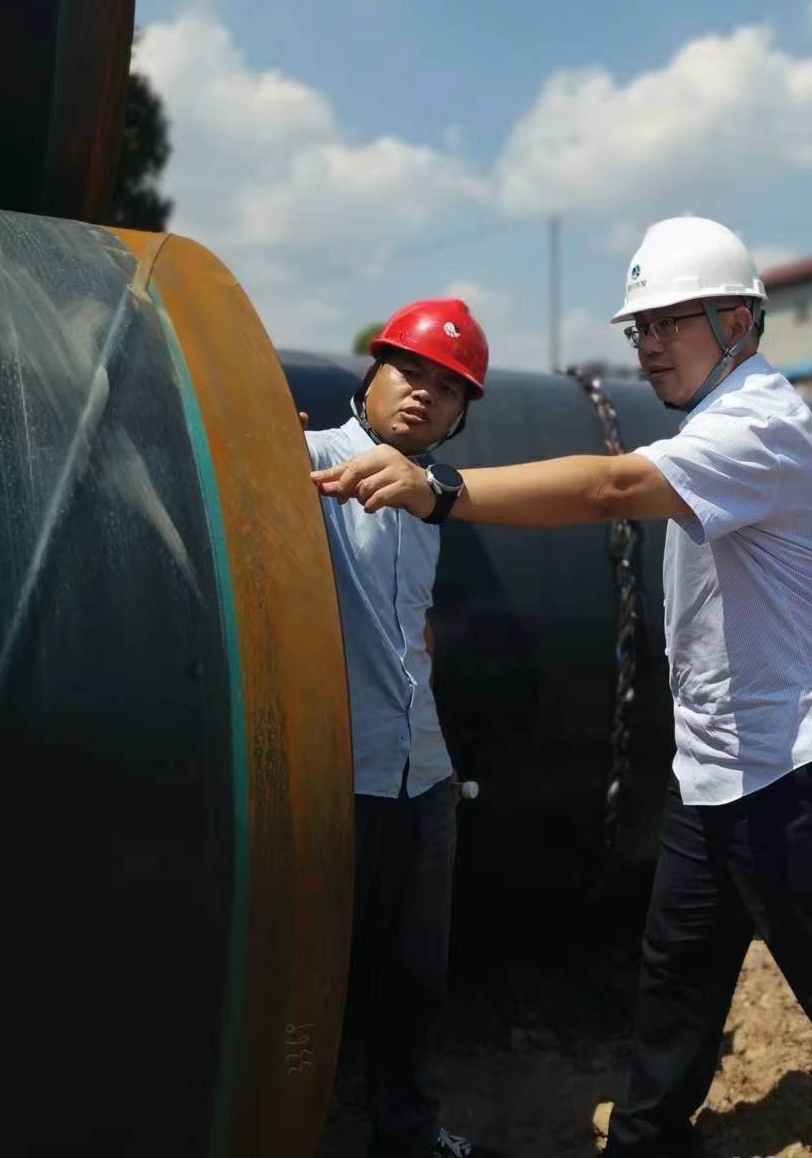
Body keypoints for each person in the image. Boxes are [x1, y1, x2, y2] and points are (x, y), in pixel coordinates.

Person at [311, 217, 812, 1158]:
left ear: (739, 321)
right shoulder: (712, 426)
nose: (649, 345)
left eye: (670, 322)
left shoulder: (760, 424)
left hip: (800, 766)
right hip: (720, 768)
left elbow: (612, 488)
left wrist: (440, 489)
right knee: (678, 980)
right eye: (640, 328)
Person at [304, 297, 498, 1158]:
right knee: (311, 981)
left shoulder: (430, 502)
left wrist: (439, 758)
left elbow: (416, 633)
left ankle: (409, 1136)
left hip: (419, 778)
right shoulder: (309, 460)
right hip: (334, 780)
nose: (424, 394)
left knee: (416, 977)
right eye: (410, 372)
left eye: (447, 389)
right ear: (372, 374)